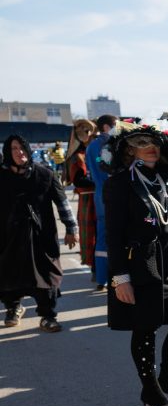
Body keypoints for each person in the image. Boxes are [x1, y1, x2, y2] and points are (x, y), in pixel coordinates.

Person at [102, 123, 168, 406]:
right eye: (141, 141)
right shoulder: (119, 184)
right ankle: (151, 389)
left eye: (155, 142)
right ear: (129, 149)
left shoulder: (164, 179)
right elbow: (113, 234)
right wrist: (120, 278)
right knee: (146, 327)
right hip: (143, 267)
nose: (150, 146)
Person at [1, 135, 77, 331]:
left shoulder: (45, 174)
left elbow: (62, 202)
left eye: (21, 148)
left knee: (46, 275)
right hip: (8, 237)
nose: (19, 152)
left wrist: (71, 228)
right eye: (13, 149)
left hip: (41, 236)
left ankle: (48, 315)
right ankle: (13, 307)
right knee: (9, 273)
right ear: (7, 154)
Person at [86, 115, 116, 289]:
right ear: (106, 127)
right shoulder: (108, 146)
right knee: (117, 235)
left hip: (99, 195)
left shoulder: (91, 147)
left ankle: (101, 279)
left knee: (102, 238)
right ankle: (116, 277)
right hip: (111, 195)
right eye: (114, 125)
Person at [65, 118, 98, 270]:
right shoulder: (77, 156)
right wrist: (99, 181)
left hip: (97, 197)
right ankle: (94, 267)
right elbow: (79, 181)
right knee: (90, 234)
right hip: (88, 200)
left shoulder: (91, 151)